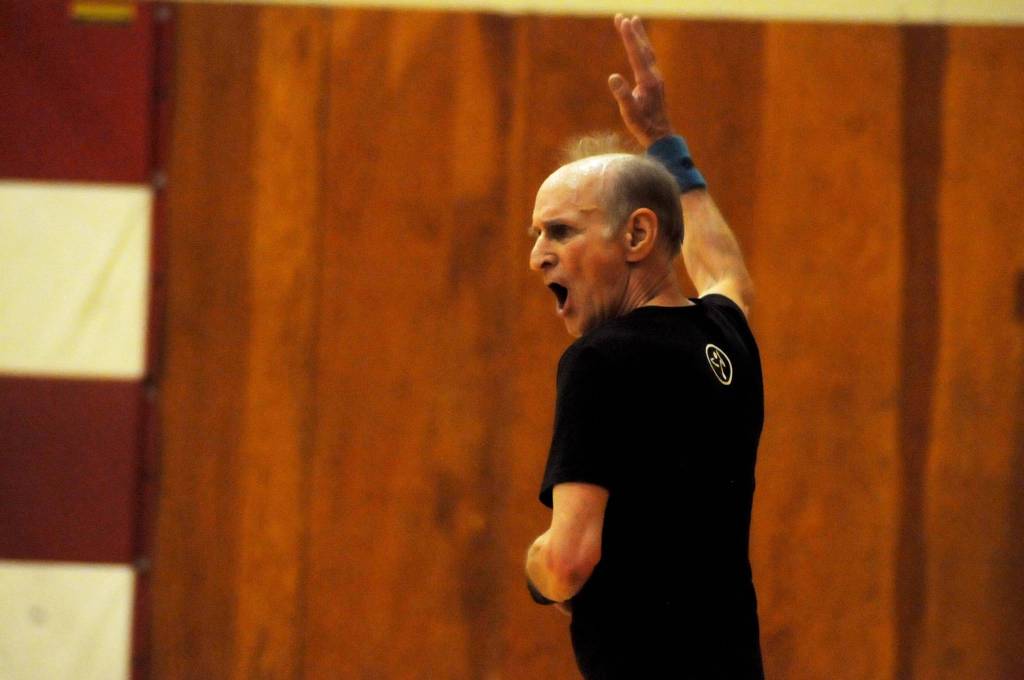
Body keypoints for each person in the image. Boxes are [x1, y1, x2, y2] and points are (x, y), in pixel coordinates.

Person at [523, 14, 765, 679]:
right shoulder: (724, 337)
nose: (539, 256)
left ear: (636, 237)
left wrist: (535, 572)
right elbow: (725, 274)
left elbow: (570, 559)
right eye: (536, 234)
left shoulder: (601, 361)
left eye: (562, 232)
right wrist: (663, 143)